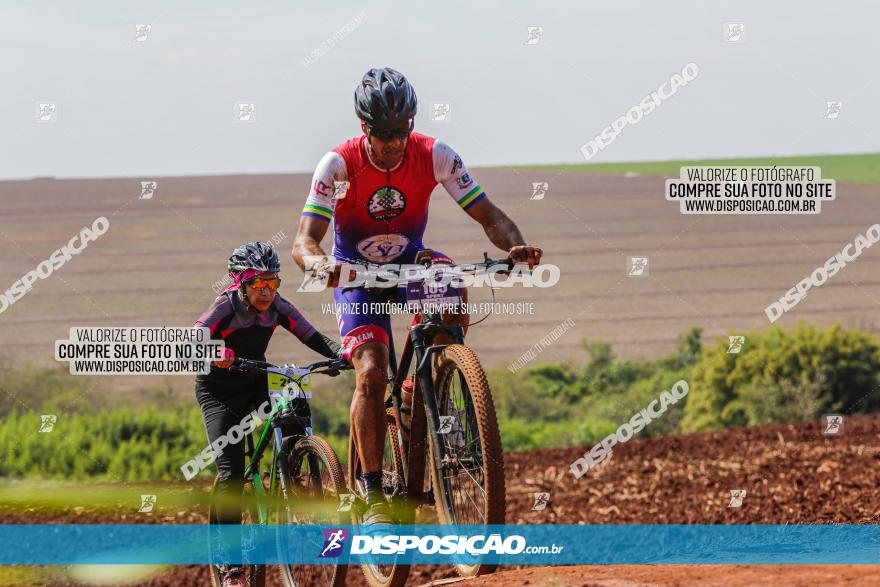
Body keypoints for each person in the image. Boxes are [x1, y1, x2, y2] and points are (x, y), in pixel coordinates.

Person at [292, 67, 542, 527]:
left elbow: (489, 214)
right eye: (383, 133)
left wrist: (514, 247)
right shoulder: (339, 165)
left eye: (401, 130)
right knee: (370, 371)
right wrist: (319, 265)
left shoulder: (435, 155)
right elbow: (303, 242)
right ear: (364, 127)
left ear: (412, 123)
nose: (393, 142)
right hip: (357, 275)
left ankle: (424, 383)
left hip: (410, 260)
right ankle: (371, 492)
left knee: (450, 282)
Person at [194, 241, 342, 587]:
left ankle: (297, 471)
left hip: (255, 378)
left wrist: (341, 353)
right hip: (219, 393)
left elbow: (310, 334)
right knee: (232, 478)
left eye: (273, 282)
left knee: (294, 396)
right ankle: (232, 570)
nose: (266, 291)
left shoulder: (277, 307)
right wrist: (217, 352)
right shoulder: (225, 306)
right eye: (259, 283)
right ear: (239, 283)